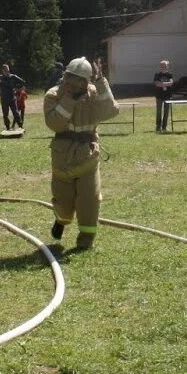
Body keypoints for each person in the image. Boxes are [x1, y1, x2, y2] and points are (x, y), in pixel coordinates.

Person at [42, 57, 118, 250]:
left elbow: (110, 111)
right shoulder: (53, 95)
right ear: (65, 76)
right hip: (63, 157)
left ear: (87, 82)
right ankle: (62, 220)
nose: (72, 83)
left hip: (88, 156)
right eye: (70, 78)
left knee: (89, 199)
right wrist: (69, 100)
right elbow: (55, 123)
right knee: (63, 199)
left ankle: (86, 239)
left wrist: (101, 82)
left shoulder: (94, 93)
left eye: (79, 80)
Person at [0, 63, 26, 130]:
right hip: (4, 98)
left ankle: (20, 126)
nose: (6, 70)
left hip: (12, 98)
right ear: (2, 70)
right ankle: (8, 127)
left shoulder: (13, 76)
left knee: (16, 113)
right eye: (5, 69)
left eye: (7, 68)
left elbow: (23, 82)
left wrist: (17, 88)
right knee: (5, 114)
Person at [152, 59, 176, 133]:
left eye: (165, 65)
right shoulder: (157, 74)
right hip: (159, 95)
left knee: (166, 112)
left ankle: (164, 127)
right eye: (162, 65)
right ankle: (158, 126)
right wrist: (166, 83)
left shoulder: (169, 74)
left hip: (167, 96)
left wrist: (162, 84)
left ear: (167, 66)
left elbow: (171, 83)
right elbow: (156, 83)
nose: (163, 67)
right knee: (159, 111)